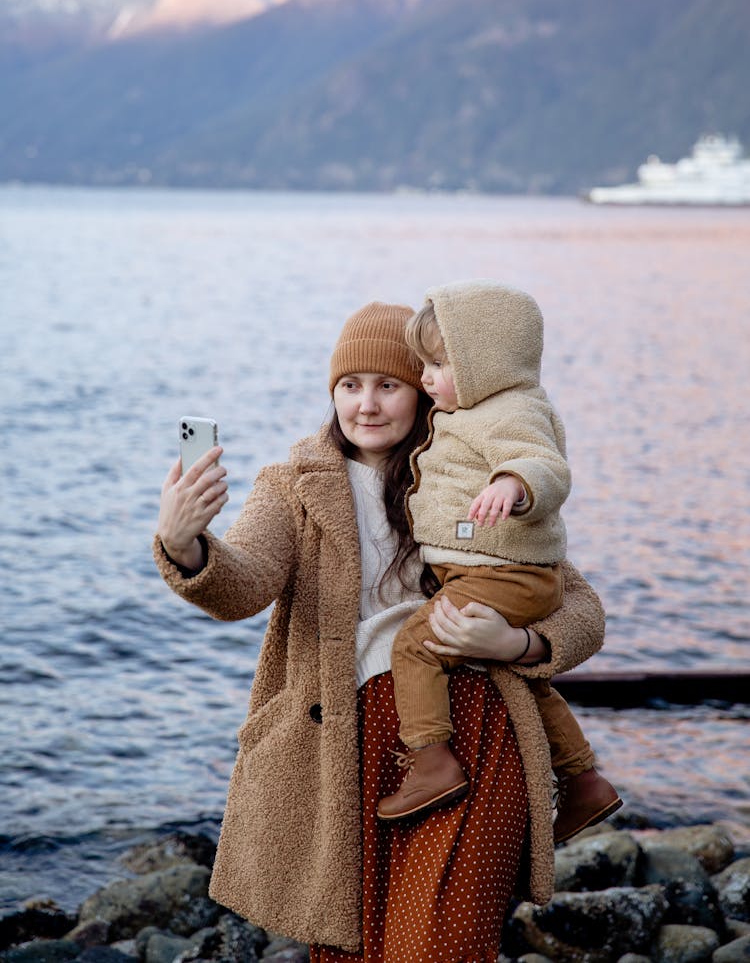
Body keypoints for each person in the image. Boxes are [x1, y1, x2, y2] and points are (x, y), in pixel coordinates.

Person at [153, 300, 607, 963]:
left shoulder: (472, 477)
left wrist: (516, 645)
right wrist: (184, 542)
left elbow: (582, 607)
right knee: (354, 950)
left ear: (421, 390)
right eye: (349, 384)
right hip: (343, 750)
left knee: (443, 947)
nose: (365, 404)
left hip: (475, 734)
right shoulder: (294, 486)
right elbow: (242, 584)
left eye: (387, 384)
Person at [376, 281, 621, 846]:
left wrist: (515, 483)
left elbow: (545, 465)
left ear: (487, 363)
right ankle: (583, 781)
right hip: (490, 572)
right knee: (515, 677)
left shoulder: (510, 410)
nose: (426, 378)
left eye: (439, 364)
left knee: (415, 646)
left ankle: (431, 762)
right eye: (422, 365)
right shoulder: (473, 410)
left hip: (503, 574)